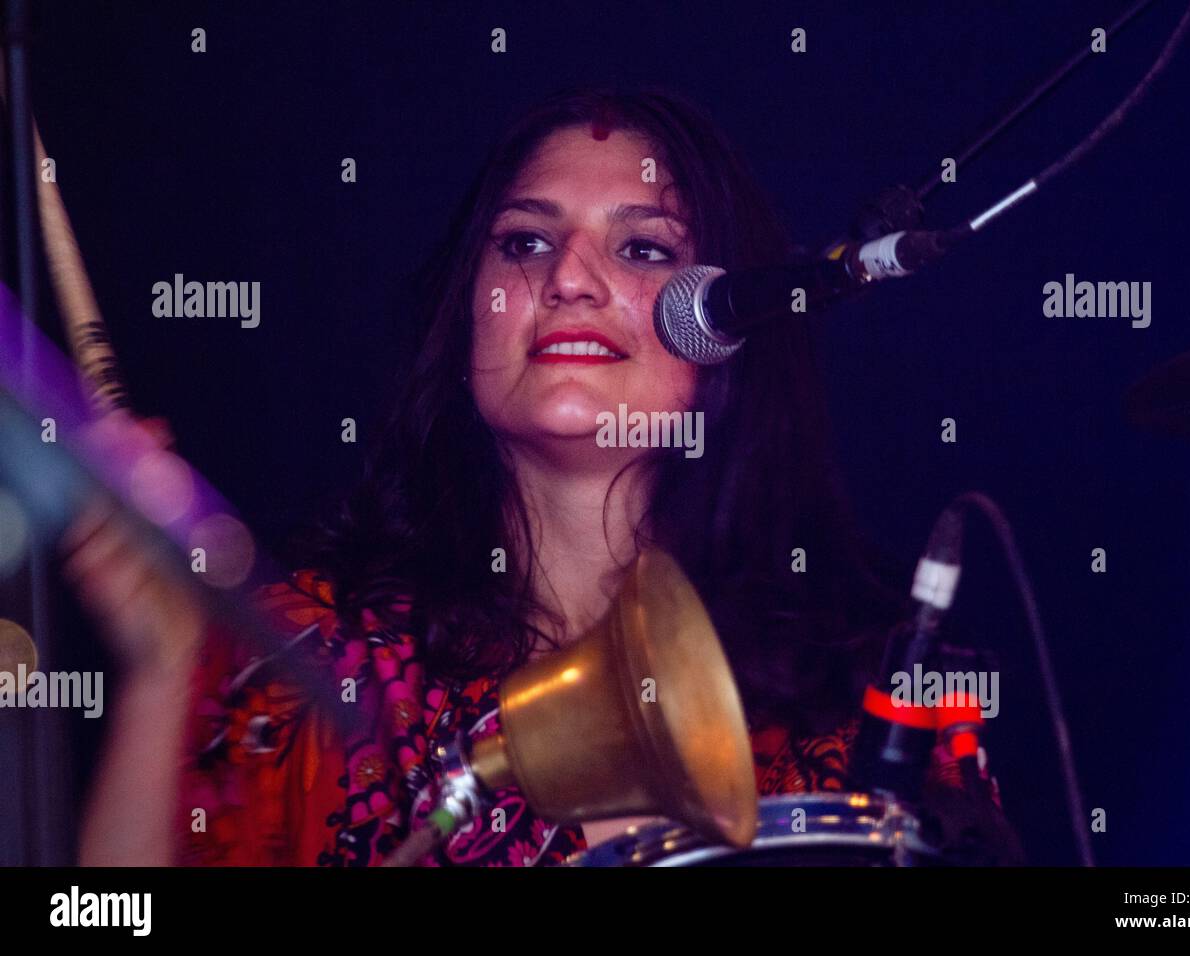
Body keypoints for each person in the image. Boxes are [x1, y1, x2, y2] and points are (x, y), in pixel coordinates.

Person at [63, 86, 996, 867]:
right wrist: (160, 670)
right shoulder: (318, 656)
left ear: (730, 331)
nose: (570, 279)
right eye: (524, 241)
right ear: (468, 312)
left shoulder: (870, 688)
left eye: (643, 249)